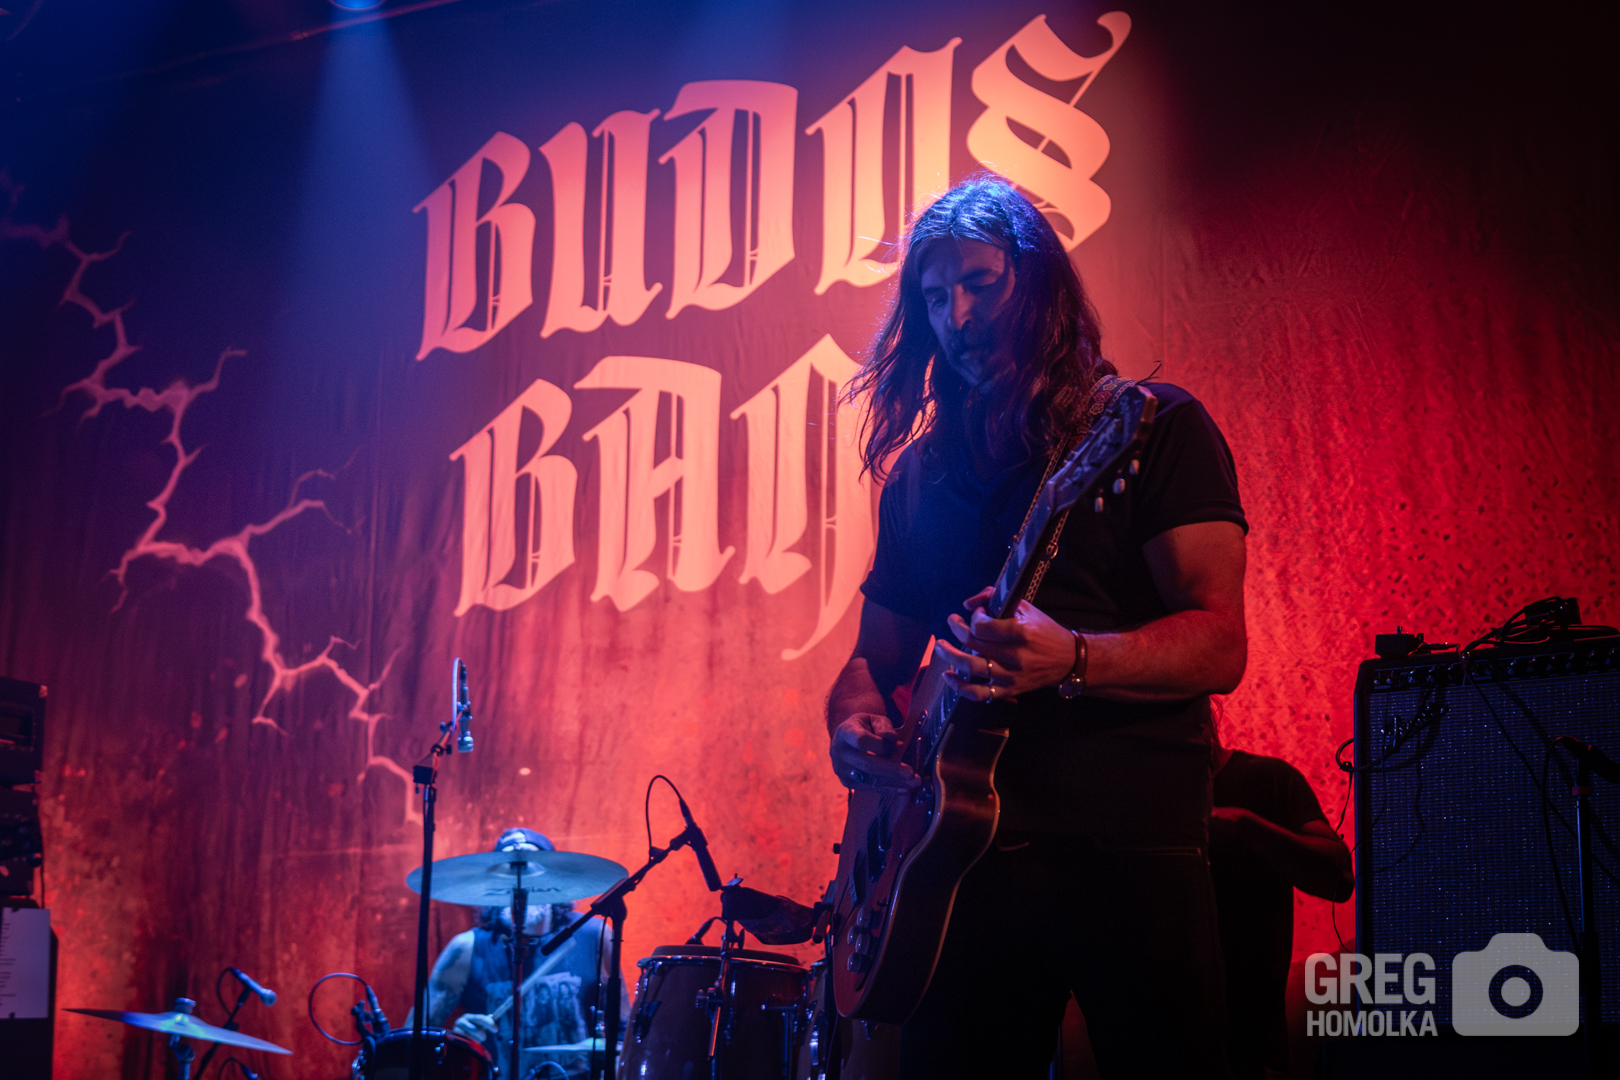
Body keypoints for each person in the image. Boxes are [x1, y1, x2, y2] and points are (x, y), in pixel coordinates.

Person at [825, 176, 1249, 1077]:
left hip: (1128, 848)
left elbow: (1220, 641)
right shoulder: (919, 478)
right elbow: (875, 660)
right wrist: (853, 723)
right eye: (935, 297)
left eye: (981, 284)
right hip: (958, 865)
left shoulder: (1151, 428)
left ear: (1041, 285)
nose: (957, 317)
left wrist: (1077, 658)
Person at [411, 827, 623, 1080]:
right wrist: (457, 1040)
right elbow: (409, 1044)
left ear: (555, 881)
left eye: (530, 870)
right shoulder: (466, 949)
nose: (520, 883)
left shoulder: (592, 935)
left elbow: (626, 1031)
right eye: (510, 872)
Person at [1208, 722, 1354, 1079]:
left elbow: (1339, 879)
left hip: (1248, 1047)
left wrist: (1246, 827)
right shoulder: (1139, 792)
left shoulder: (1267, 778)